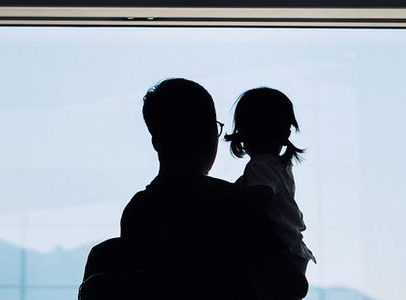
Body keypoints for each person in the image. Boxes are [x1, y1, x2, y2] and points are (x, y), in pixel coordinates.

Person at [109, 78, 308, 299]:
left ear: (156, 140)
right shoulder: (234, 205)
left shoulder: (138, 211)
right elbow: (295, 286)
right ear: (208, 135)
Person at [224, 87, 315, 276]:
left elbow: (260, 197)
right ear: (285, 133)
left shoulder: (260, 165)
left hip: (281, 252)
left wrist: (224, 193)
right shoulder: (280, 166)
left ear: (242, 134)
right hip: (294, 251)